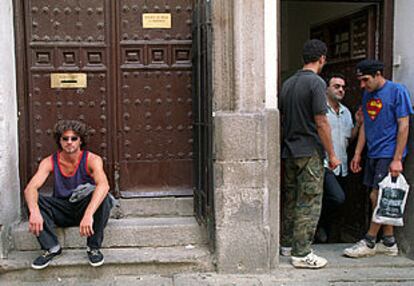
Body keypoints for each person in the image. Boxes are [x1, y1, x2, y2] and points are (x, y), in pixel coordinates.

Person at [279, 39, 341, 269]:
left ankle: (287, 244)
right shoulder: (316, 83)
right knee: (310, 201)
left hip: (290, 150)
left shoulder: (288, 83)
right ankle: (302, 252)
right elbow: (322, 121)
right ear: (322, 58)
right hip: (309, 151)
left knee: (292, 199)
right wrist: (332, 154)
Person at [344, 59, 413, 258]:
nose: (362, 85)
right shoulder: (367, 95)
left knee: (378, 196)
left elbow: (404, 125)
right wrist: (358, 153)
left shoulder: (397, 91)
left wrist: (397, 157)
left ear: (378, 74)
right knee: (386, 195)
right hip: (373, 153)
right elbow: (366, 124)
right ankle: (389, 242)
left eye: (366, 80)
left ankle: (370, 240)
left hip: (388, 153)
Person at [24, 120, 113, 269]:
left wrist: (88, 214)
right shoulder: (49, 162)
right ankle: (51, 247)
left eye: (74, 138)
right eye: (65, 138)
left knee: (104, 198)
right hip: (62, 209)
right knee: (33, 199)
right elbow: (30, 188)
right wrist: (34, 212)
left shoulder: (92, 159)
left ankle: (93, 247)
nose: (69, 142)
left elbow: (104, 185)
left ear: (80, 141)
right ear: (60, 141)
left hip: (84, 209)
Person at [315, 73, 363, 243]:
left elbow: (349, 137)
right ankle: (318, 228)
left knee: (338, 201)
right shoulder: (321, 111)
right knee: (337, 197)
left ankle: (328, 234)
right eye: (337, 86)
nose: (341, 90)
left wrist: (357, 124)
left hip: (341, 165)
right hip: (326, 164)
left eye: (343, 87)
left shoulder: (346, 112)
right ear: (327, 89)